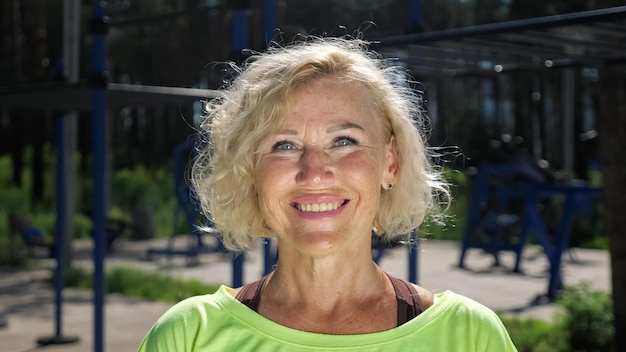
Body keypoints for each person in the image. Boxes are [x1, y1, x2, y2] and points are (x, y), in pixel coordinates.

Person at [138, 37, 517, 351]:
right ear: (251, 172)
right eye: (284, 145)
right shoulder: (188, 336)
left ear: (390, 162)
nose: (315, 172)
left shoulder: (470, 336)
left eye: (344, 140)